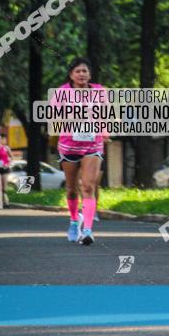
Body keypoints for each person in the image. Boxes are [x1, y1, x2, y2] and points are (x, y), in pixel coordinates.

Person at [53, 57, 109, 245]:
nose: (82, 74)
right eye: (78, 71)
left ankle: (87, 230)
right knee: (71, 189)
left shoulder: (100, 91)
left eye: (85, 71)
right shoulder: (62, 93)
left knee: (88, 186)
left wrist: (105, 130)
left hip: (93, 145)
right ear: (71, 75)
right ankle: (74, 221)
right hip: (69, 145)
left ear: (90, 74)